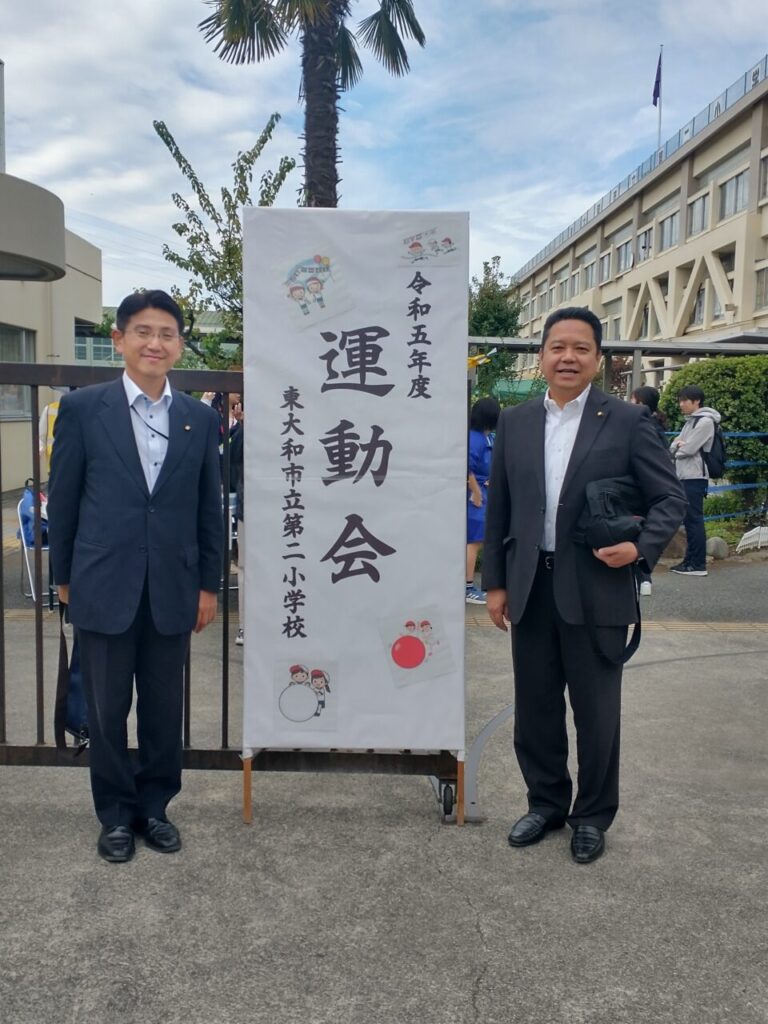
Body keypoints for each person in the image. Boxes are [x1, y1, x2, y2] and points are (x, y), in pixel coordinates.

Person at [483, 307, 685, 864]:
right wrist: (494, 584)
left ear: (598, 359)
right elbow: (501, 507)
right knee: (536, 707)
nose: (567, 357)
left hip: (597, 588)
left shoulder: (625, 420)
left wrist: (640, 549)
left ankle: (592, 816)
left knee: (596, 713)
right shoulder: (516, 421)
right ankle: (546, 803)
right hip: (529, 585)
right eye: (557, 347)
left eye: (580, 348)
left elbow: (670, 498)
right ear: (542, 356)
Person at [48, 290, 223, 864]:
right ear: (119, 340)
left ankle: (156, 807)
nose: (156, 343)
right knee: (105, 708)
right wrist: (63, 576)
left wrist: (208, 585)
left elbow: (208, 508)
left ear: (178, 345)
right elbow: (66, 500)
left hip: (173, 585)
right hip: (102, 581)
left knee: (163, 705)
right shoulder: (83, 410)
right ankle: (116, 815)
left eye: (167, 333)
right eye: (143, 331)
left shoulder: (199, 418)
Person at [669, 384, 721, 577]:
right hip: (686, 475)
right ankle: (689, 561)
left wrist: (678, 447)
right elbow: (675, 443)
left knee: (694, 520)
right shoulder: (691, 421)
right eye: (680, 400)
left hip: (695, 476)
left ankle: (698, 564)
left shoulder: (705, 422)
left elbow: (687, 450)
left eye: (684, 401)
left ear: (696, 401)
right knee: (690, 520)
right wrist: (677, 446)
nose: (681, 404)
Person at [629, 386, 669, 595]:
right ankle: (645, 578)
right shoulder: (658, 426)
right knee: (642, 530)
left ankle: (642, 577)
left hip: (640, 489)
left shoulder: (641, 426)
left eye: (633, 399)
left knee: (635, 531)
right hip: (650, 489)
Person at [466, 397, 501, 604]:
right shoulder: (475, 439)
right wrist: (476, 490)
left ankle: (468, 585)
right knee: (473, 541)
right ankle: (467, 587)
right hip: (474, 497)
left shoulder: (488, 437)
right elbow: (466, 466)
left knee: (476, 540)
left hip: (484, 493)